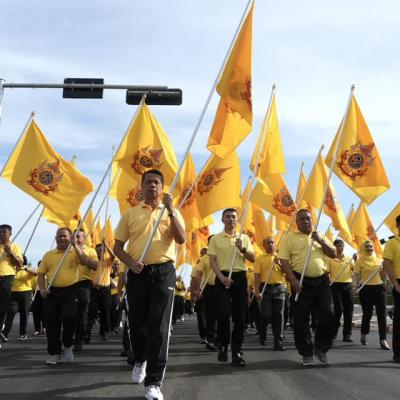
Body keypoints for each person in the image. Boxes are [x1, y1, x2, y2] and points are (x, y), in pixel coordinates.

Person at [113, 169, 185, 400]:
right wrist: (130, 263)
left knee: (159, 327)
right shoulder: (130, 214)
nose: (152, 186)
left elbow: (181, 238)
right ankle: (140, 359)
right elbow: (117, 247)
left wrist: (171, 211)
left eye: (156, 182)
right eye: (148, 182)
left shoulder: (172, 211)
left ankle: (153, 383)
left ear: (162, 187)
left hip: (164, 271)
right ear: (141, 187)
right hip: (138, 272)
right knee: (137, 324)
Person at [279, 209, 337, 367]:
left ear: (313, 220)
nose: (306, 221)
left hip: (322, 281)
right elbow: (283, 260)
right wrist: (293, 279)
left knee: (329, 315)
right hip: (300, 281)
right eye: (302, 219)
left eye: (308, 218)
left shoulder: (320, 235)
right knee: (301, 318)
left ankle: (321, 348)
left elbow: (333, 253)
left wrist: (321, 240)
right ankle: (306, 353)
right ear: (297, 222)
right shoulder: (290, 238)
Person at [38, 227, 96, 365]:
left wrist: (75, 245)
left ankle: (68, 345)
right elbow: (41, 274)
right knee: (52, 323)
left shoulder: (75, 252)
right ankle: (55, 353)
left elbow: (84, 261)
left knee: (69, 318)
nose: (62, 239)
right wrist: (42, 289)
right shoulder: (48, 255)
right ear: (55, 238)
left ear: (70, 238)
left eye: (65, 236)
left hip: (71, 290)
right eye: (59, 236)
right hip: (52, 291)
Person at [208, 208, 255, 367]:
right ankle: (223, 344)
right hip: (222, 277)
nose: (231, 219)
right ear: (222, 220)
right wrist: (221, 277)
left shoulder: (244, 238)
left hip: (240, 277)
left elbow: (252, 258)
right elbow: (212, 261)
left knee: (240, 317)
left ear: (237, 220)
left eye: (234, 217)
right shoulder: (215, 238)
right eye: (227, 216)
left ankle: (237, 351)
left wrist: (242, 249)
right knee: (223, 313)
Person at [354, 240, 390, 350]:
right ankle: (364, 333)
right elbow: (356, 275)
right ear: (363, 249)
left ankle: (383, 340)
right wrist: (355, 287)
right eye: (367, 247)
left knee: (382, 315)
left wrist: (385, 269)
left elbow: (384, 275)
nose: (369, 248)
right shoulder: (359, 261)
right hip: (365, 289)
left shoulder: (379, 260)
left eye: (371, 246)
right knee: (367, 315)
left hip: (379, 289)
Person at [254, 237, 286, 350]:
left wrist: (280, 264)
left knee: (279, 315)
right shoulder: (259, 258)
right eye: (268, 243)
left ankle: (278, 341)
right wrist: (257, 292)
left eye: (272, 242)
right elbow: (256, 276)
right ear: (264, 245)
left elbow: (287, 272)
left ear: (275, 244)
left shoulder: (281, 257)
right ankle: (262, 334)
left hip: (279, 288)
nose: (271, 244)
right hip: (265, 288)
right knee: (266, 314)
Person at [73, 229, 98, 352]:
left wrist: (81, 254)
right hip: (68, 284)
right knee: (69, 313)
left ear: (84, 238)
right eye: (74, 236)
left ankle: (78, 339)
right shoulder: (67, 250)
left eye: (79, 236)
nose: (76, 238)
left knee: (82, 313)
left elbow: (95, 266)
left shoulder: (90, 250)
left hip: (83, 284)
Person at [2, 255, 37, 341]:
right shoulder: (11, 269)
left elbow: (36, 273)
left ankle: (22, 334)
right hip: (13, 294)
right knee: (11, 312)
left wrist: (25, 268)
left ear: (23, 261)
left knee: (24, 314)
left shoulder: (27, 269)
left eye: (19, 259)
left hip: (25, 293)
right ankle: (4, 334)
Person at [326, 239, 355, 342]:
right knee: (338, 310)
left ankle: (347, 334)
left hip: (347, 285)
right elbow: (326, 272)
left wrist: (356, 260)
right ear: (334, 247)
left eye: (342, 245)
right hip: (335, 285)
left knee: (349, 311)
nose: (340, 247)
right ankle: (333, 332)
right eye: (338, 245)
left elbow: (354, 270)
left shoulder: (349, 258)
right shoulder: (330, 258)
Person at [86, 241, 115, 342]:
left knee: (105, 312)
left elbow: (113, 255)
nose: (99, 252)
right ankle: (87, 334)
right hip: (94, 289)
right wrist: (93, 284)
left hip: (105, 289)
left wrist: (106, 245)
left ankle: (104, 332)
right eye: (97, 250)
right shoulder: (92, 262)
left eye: (101, 250)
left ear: (104, 251)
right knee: (91, 311)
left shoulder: (107, 261)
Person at [191, 244, 217, 351]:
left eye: (205, 251)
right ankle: (204, 336)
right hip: (201, 291)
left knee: (213, 314)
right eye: (202, 252)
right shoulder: (199, 263)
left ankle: (212, 335)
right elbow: (193, 278)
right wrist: (193, 293)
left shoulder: (217, 259)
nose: (204, 253)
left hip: (211, 289)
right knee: (202, 315)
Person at [0, 224, 23, 347]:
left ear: (10, 234)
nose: (1, 234)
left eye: (4, 232)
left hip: (6, 277)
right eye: (0, 232)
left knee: (2, 307)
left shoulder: (14, 246)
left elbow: (19, 264)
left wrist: (10, 253)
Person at [383, 214, 400, 362]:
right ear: (398, 226)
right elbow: (387, 263)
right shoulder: (392, 243)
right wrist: (394, 283)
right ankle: (398, 353)